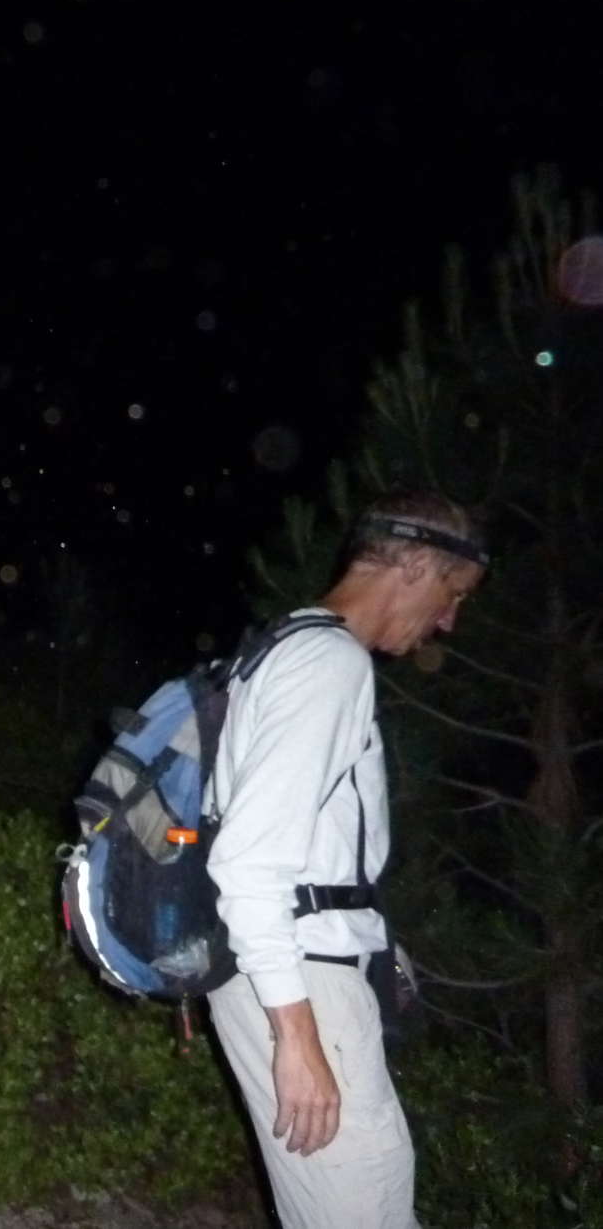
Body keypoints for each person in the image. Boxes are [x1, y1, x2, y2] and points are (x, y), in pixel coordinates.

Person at [205, 490, 487, 1229]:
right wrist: (297, 1038)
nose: (449, 620)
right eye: (453, 592)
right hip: (300, 982)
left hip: (289, 973)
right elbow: (248, 862)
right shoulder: (328, 664)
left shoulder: (283, 647)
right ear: (416, 565)